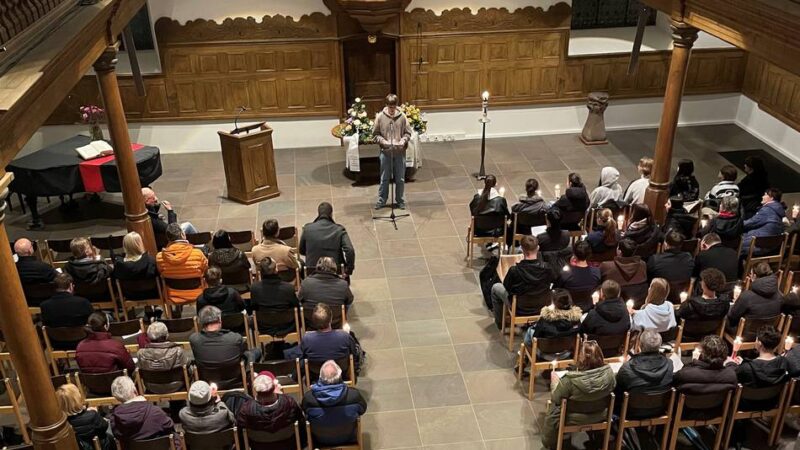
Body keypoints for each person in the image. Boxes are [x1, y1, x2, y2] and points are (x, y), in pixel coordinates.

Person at [541, 341, 615, 450]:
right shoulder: (610, 376)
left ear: (581, 358)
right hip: (600, 415)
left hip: (571, 418)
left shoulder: (570, 380)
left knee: (555, 408)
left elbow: (556, 398)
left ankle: (561, 438)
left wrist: (555, 383)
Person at [490, 235, 556, 328]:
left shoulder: (514, 270)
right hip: (542, 306)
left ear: (522, 249)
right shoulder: (547, 267)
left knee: (496, 287)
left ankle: (501, 323)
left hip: (520, 308)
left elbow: (507, 287)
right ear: (538, 248)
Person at [190, 306, 261, 388]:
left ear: (201, 322)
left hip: (208, 382)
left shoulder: (194, 340)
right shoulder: (234, 338)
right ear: (220, 319)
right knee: (255, 352)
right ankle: (251, 385)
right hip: (235, 380)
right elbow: (243, 351)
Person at [302, 360, 367, 447]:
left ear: (320, 377)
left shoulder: (309, 398)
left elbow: (304, 412)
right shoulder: (353, 395)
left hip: (319, 440)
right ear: (340, 376)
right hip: (348, 437)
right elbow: (363, 410)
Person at [237, 372, 305, 450]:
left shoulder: (245, 409)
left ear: (255, 390)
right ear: (273, 387)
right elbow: (302, 426)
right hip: (288, 446)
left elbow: (240, 435)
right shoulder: (289, 402)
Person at [372, 93, 412, 210]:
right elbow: (375, 134)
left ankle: (400, 200)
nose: (392, 111)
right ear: (386, 106)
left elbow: (408, 133)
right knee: (384, 178)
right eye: (390, 108)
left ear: (396, 106)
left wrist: (403, 140)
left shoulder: (402, 117)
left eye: (393, 108)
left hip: (399, 152)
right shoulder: (380, 117)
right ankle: (382, 200)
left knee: (400, 178)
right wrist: (383, 141)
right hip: (386, 152)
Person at [109, 376, 175, 442]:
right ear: (135, 391)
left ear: (117, 397)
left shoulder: (115, 419)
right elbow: (169, 426)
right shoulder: (155, 412)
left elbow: (118, 436)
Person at [156, 222, 209, 305]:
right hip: (197, 292)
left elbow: (161, 273)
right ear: (183, 234)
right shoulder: (197, 254)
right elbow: (206, 269)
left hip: (172, 294)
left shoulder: (159, 258)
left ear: (167, 238)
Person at [299, 202, 355, 276]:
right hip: (336, 270)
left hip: (312, 270)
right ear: (331, 214)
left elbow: (301, 250)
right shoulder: (339, 230)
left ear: (318, 213)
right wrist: (349, 269)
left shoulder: (307, 229)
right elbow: (350, 250)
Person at [249, 257, 300, 335]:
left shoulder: (254, 288)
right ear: (276, 270)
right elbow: (296, 306)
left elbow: (253, 307)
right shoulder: (288, 288)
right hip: (287, 326)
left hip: (264, 326)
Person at [727, 262, 783, 331]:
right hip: (768, 333)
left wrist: (734, 305)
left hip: (745, 334)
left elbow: (732, 317)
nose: (750, 276)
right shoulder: (779, 294)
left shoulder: (746, 297)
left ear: (754, 276)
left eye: (750, 274)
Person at [56, 383, 114, 450]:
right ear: (77, 399)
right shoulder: (92, 415)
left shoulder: (60, 423)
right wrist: (95, 413)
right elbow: (104, 426)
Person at [673, 335, 737, 395]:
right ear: (725, 356)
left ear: (702, 354)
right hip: (717, 406)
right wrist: (731, 364)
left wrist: (693, 363)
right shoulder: (731, 375)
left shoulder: (685, 374)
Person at [136, 321, 189, 393]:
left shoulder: (141, 353)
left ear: (148, 337)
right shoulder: (178, 351)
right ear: (167, 335)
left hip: (151, 387)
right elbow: (187, 367)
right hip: (176, 387)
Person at [615, 329, 673, 395]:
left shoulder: (627, 368)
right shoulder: (669, 364)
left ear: (640, 345)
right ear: (660, 346)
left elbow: (618, 390)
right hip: (663, 405)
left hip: (632, 404)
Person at [112, 232, 159, 301]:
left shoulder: (119, 266)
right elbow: (157, 277)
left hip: (130, 296)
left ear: (125, 246)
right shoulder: (150, 261)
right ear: (140, 244)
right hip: (152, 294)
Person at [742, 187, 785, 255]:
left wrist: (735, 224)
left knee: (733, 244)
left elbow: (750, 223)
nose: (762, 196)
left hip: (759, 246)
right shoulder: (777, 211)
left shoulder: (767, 210)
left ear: (771, 198)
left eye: (765, 195)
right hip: (770, 246)